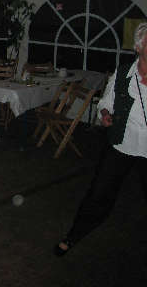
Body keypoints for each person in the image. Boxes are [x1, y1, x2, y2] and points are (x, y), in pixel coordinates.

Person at [54, 22, 147, 256]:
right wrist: (105, 113)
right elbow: (106, 102)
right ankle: (74, 235)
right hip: (121, 143)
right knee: (99, 193)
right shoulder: (124, 73)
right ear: (138, 47)